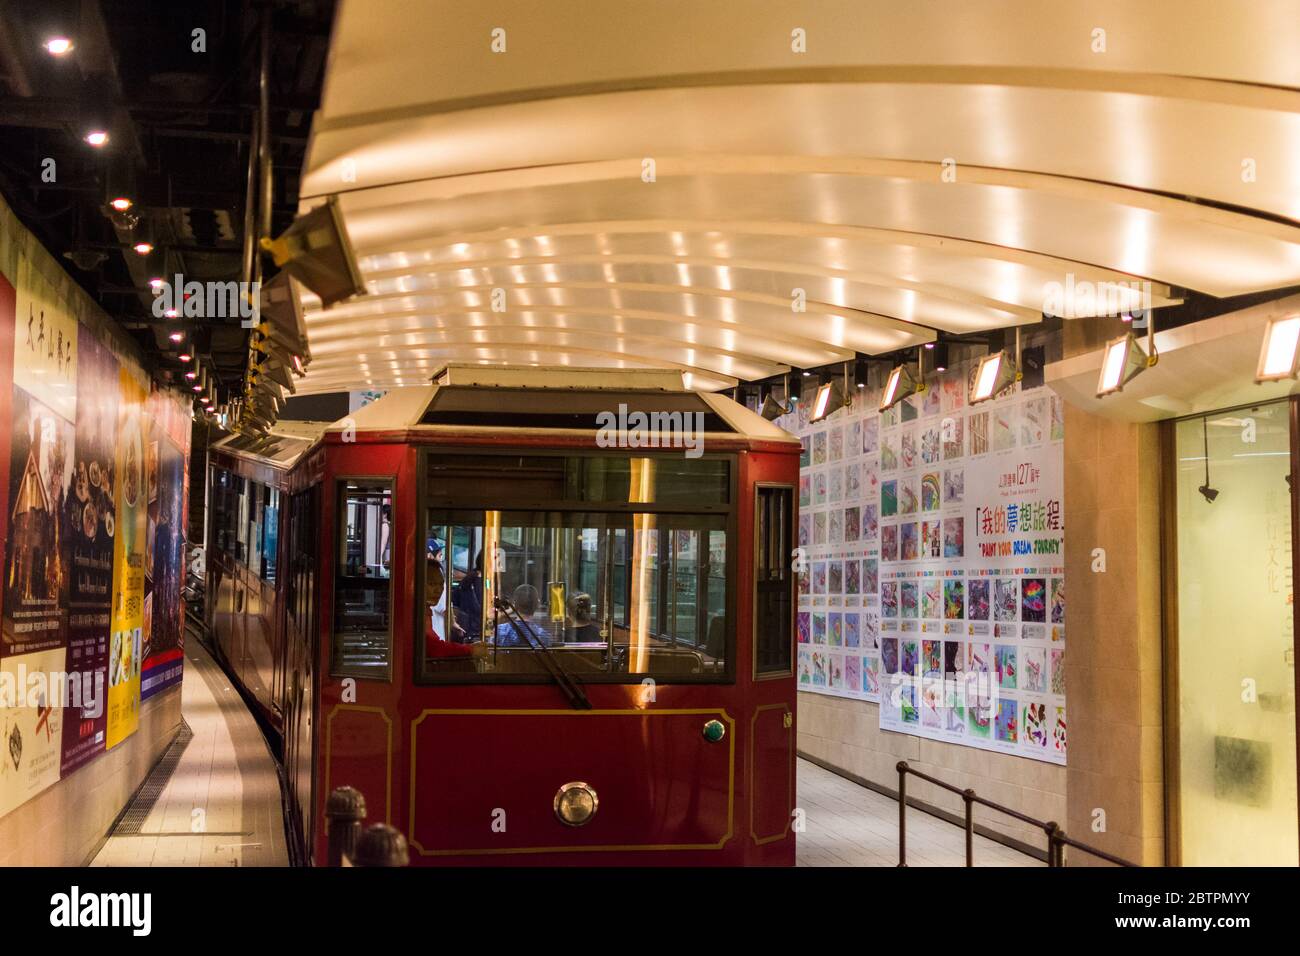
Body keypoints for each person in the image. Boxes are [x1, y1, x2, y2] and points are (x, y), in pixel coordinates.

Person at [453, 549, 485, 640]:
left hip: (467, 631)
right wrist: (513, 609)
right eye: (498, 563)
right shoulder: (480, 582)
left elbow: (455, 600)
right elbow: (486, 613)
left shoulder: (470, 577)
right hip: (477, 633)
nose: (501, 566)